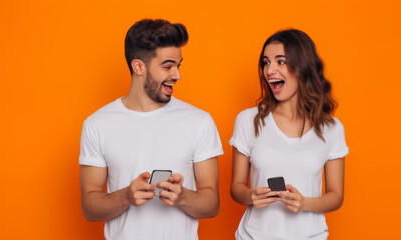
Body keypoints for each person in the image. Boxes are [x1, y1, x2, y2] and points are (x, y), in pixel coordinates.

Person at [79, 19, 223, 240]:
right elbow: (90, 207)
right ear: (139, 67)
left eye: (178, 65)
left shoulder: (199, 121)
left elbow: (212, 204)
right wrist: (126, 196)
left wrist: (182, 197)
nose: (177, 75)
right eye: (167, 66)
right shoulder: (97, 124)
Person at [229, 29, 349, 240]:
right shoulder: (248, 120)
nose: (270, 70)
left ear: (303, 68)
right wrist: (251, 195)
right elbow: (236, 188)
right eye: (266, 62)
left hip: (311, 236)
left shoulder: (332, 128)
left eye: (280, 62)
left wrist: (305, 204)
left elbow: (336, 196)